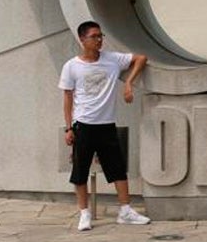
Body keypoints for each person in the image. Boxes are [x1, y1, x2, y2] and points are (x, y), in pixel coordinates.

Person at [59, 20, 150, 231]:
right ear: (82, 39)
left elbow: (141, 59)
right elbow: (67, 98)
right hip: (83, 125)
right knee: (80, 172)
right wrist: (68, 128)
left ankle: (125, 211)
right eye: (94, 36)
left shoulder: (112, 59)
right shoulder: (71, 66)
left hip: (107, 125)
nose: (99, 40)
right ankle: (84, 213)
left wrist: (128, 83)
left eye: (101, 36)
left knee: (117, 169)